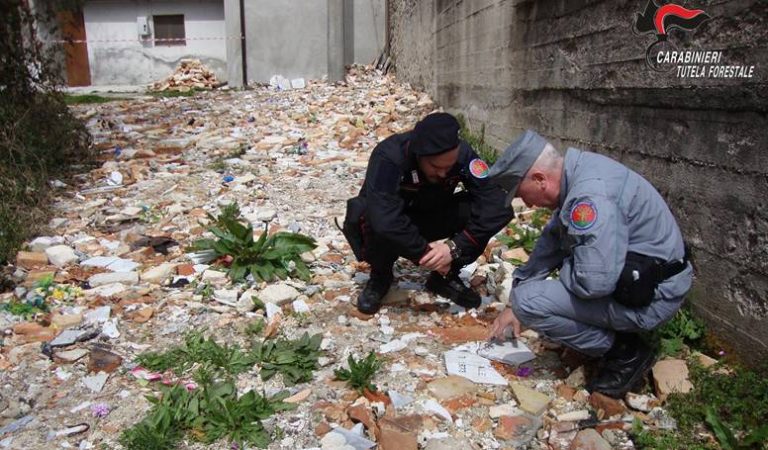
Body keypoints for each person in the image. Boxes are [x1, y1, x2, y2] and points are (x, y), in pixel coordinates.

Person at [486, 130, 692, 398]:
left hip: (653, 298)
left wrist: (556, 276)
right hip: (640, 280)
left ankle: (625, 352)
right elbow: (552, 240)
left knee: (530, 302)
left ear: (539, 180)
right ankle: (612, 336)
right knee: (524, 299)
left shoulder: (590, 198)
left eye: (522, 195)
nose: (526, 203)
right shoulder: (579, 172)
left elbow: (592, 284)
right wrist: (515, 297)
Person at [340, 112, 514, 315]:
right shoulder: (389, 156)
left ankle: (445, 276)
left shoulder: (464, 156)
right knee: (368, 214)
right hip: (395, 225)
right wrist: (425, 253)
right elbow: (385, 218)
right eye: (436, 167)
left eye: (449, 168)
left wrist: (454, 248)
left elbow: (499, 204)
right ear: (418, 155)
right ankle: (380, 277)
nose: (443, 174)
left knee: (478, 208)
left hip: (433, 215)